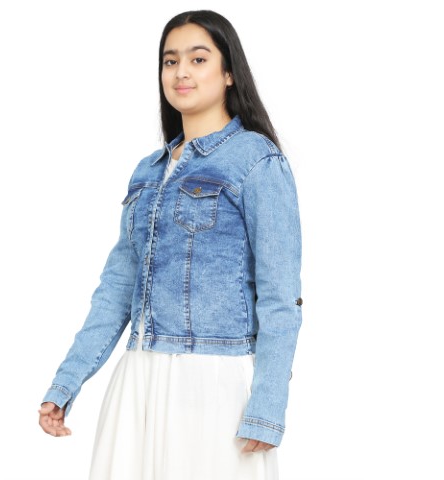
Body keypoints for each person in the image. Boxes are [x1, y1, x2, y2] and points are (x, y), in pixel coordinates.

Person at [39, 9, 303, 480]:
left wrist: (268, 405)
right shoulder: (148, 170)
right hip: (137, 378)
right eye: (170, 60)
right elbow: (116, 289)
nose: (181, 72)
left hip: (213, 383)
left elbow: (280, 296)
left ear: (228, 73)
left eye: (198, 59)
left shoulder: (257, 161)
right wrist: (67, 382)